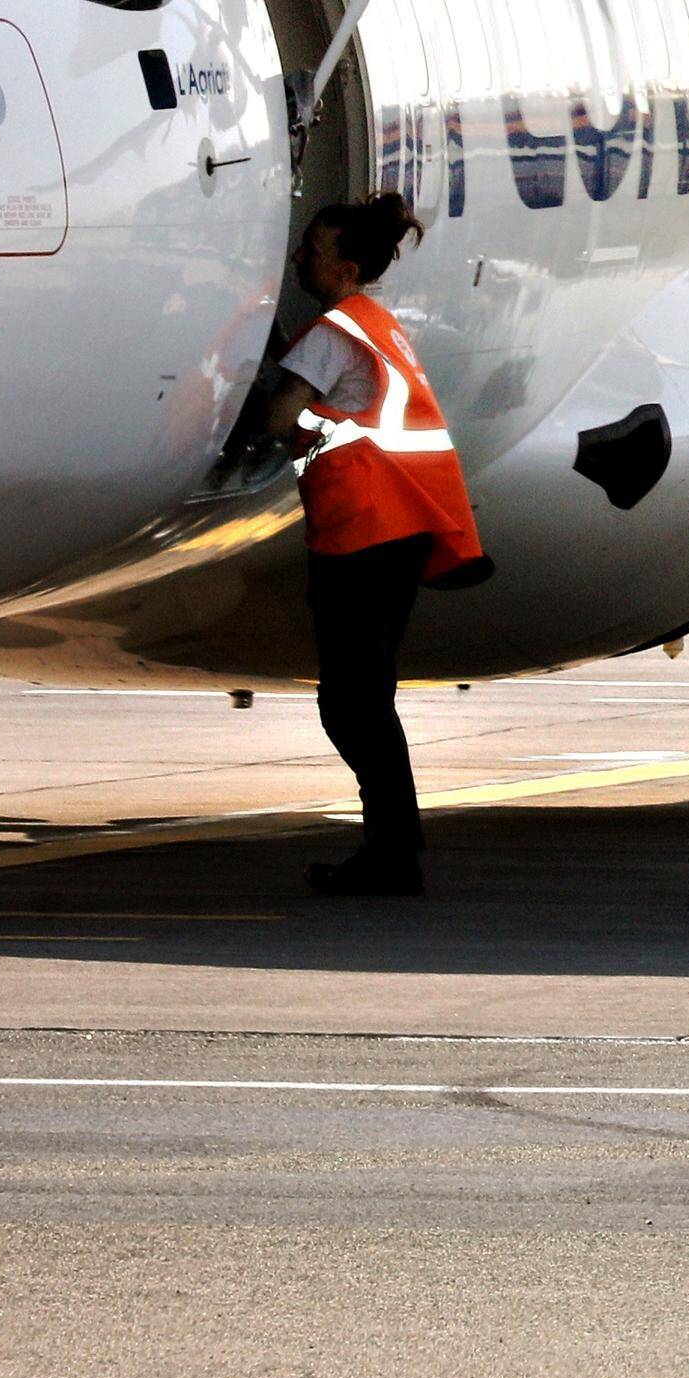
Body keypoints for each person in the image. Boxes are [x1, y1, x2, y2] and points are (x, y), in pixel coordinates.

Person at [236, 193, 490, 898]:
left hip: (366, 530)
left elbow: (280, 416)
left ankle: (392, 848)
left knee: (351, 701)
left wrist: (252, 403)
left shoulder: (331, 331)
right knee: (364, 694)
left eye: (310, 250)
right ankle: (394, 844)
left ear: (343, 266)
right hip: (397, 528)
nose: (296, 258)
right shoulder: (378, 324)